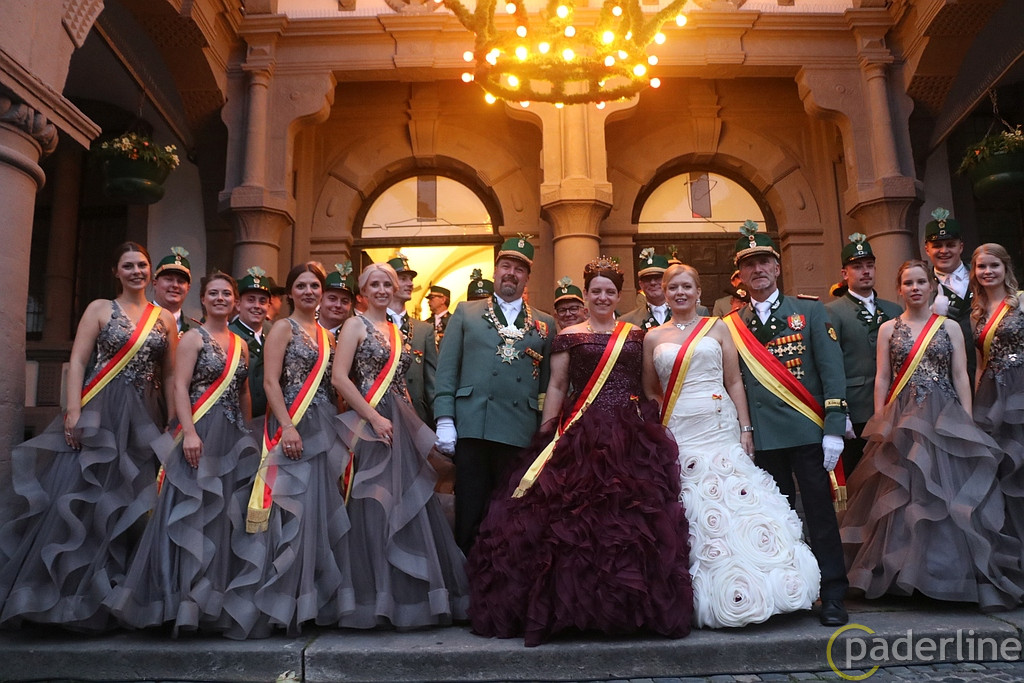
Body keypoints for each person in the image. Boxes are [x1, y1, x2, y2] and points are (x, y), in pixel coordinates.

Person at [467, 256, 692, 646]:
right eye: (596, 291)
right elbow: (557, 386)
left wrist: (657, 428)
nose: (602, 297)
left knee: (629, 524)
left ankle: (625, 608)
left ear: (619, 296)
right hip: (580, 432)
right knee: (571, 524)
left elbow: (648, 386)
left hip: (629, 436)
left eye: (610, 291)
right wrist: (547, 434)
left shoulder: (636, 335)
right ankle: (573, 610)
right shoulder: (568, 335)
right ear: (586, 295)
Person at [0, 242, 177, 631]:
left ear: (150, 271)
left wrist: (171, 420)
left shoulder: (164, 317)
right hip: (102, 410)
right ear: (116, 271)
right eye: (128, 266)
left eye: (142, 265)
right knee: (87, 495)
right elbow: (79, 359)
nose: (136, 271)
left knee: (133, 498)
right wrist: (74, 410)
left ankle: (120, 596)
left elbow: (169, 373)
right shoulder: (99, 308)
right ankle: (67, 598)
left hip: (144, 415)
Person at [841, 260, 1024, 611]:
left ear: (931, 287)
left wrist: (966, 420)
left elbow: (960, 375)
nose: (915, 288)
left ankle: (947, 574)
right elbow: (882, 376)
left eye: (921, 282)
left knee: (945, 494)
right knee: (903, 492)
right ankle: (901, 577)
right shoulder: (888, 328)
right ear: (900, 289)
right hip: (902, 416)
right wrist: (879, 418)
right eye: (908, 283)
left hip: (944, 417)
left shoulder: (950, 326)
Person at [644, 263, 820, 628]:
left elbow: (734, 380)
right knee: (690, 503)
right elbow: (650, 389)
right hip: (678, 426)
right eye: (673, 287)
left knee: (733, 497)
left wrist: (745, 428)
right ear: (663, 292)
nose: (680, 293)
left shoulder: (718, 327)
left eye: (687, 286)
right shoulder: (652, 337)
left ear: (698, 292)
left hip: (718, 423)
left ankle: (760, 585)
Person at [106, 271, 260, 637]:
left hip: (230, 438)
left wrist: (247, 434)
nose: (220, 298)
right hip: (200, 434)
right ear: (202, 300)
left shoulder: (241, 345)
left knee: (223, 515)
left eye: (227, 293)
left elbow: (243, 392)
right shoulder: (192, 337)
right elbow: (179, 386)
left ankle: (213, 603)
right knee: (191, 511)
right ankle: (179, 602)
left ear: (234, 301)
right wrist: (188, 432)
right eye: (213, 293)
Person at [725, 220, 849, 627]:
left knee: (819, 514)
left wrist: (834, 426)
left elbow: (831, 371)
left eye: (764, 262)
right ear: (740, 275)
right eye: (749, 265)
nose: (758, 270)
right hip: (762, 438)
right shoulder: (732, 324)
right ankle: (789, 592)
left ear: (777, 268)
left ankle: (833, 592)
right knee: (775, 521)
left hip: (807, 432)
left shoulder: (809, 311)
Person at [332, 262, 469, 628]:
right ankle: (375, 597)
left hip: (399, 421)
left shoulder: (395, 329)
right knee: (375, 505)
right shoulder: (354, 325)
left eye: (386, 284)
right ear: (363, 291)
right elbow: (340, 378)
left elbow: (401, 382)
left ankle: (409, 597)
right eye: (374, 284)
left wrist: (414, 424)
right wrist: (374, 419)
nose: (381, 290)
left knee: (410, 500)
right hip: (370, 423)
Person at [235, 262, 354, 637]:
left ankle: (310, 601)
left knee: (318, 511)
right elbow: (270, 383)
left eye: (314, 286)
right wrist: (287, 426)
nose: (308, 292)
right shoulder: (282, 328)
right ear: (289, 293)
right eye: (301, 286)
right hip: (292, 427)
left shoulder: (328, 337)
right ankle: (279, 602)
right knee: (291, 511)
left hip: (323, 427)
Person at [434, 236, 556, 551]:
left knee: (510, 518)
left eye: (519, 269)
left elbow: (547, 386)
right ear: (495, 270)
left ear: (527, 278)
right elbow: (446, 371)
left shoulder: (544, 323)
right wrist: (445, 419)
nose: (511, 273)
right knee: (470, 515)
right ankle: (466, 578)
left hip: (519, 431)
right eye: (506, 266)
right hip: (474, 426)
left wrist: (544, 432)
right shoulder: (466, 313)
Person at [825, 235, 902, 476]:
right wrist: (841, 412)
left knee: (894, 473)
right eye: (857, 266)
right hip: (857, 406)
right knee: (860, 475)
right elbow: (831, 364)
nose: (865, 271)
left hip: (894, 404)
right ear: (844, 273)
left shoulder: (894, 309)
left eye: (869, 265)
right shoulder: (833, 311)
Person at [970, 244, 1024, 545]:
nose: (988, 271)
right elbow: (980, 365)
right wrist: (976, 407)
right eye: (982, 266)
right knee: (1001, 466)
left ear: (1005, 268)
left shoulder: (1021, 302)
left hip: (1020, 390)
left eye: (994, 265)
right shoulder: (976, 313)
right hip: (990, 397)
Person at [923, 208, 976, 384]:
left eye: (950, 244)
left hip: (987, 371)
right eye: (937, 245)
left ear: (961, 246)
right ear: (927, 249)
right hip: (945, 377)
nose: (944, 251)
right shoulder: (921, 285)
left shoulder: (981, 276)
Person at [387, 253, 437, 426]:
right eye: (403, 279)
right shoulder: (370, 326)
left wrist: (440, 422)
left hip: (416, 417)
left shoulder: (424, 330)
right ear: (388, 284)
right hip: (380, 416)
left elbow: (431, 382)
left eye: (410, 279)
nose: (410, 284)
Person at [622, 248, 708, 330]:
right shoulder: (628, 321)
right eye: (647, 279)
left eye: (658, 277)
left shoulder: (699, 312)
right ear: (641, 284)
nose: (653, 282)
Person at [230, 267, 272, 418]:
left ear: (269, 306)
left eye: (262, 301)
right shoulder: (229, 335)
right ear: (238, 304)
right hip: (237, 418)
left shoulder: (274, 334)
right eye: (250, 300)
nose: (257, 306)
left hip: (269, 419)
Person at [153, 246, 198, 335]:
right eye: (169, 279)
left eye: (181, 281)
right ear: (155, 283)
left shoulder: (196, 329)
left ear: (188, 288)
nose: (175, 285)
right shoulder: (138, 318)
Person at [320, 261, 357, 336]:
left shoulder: (354, 336)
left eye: (344, 301)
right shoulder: (305, 329)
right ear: (320, 299)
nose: (338, 305)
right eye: (332, 299)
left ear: (351, 305)